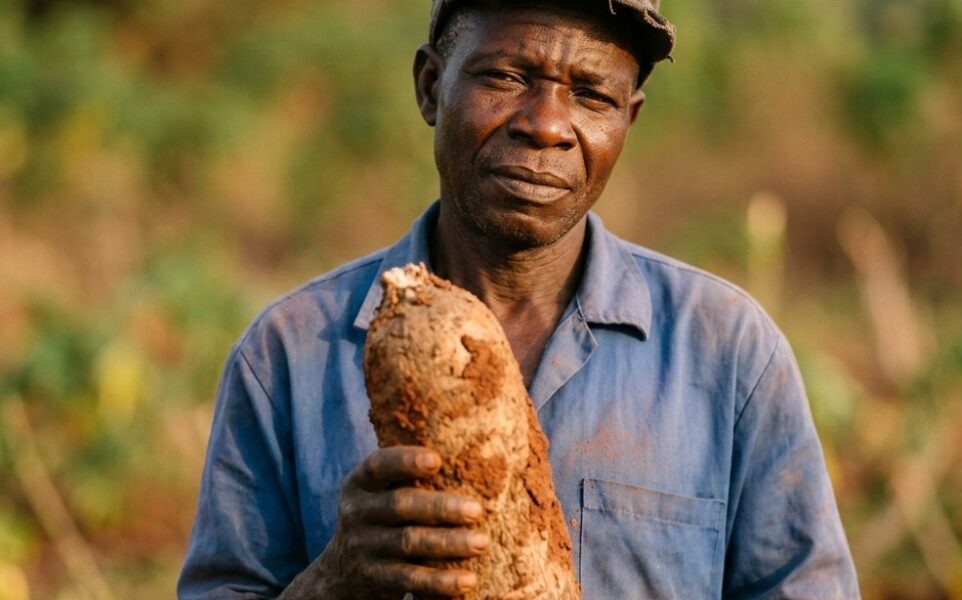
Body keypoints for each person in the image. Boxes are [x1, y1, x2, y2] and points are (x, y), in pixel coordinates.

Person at [178, 0, 861, 597]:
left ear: (629, 117)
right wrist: (337, 581)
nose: (546, 124)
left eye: (592, 94)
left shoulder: (727, 351)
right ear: (429, 86)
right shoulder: (290, 353)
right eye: (506, 77)